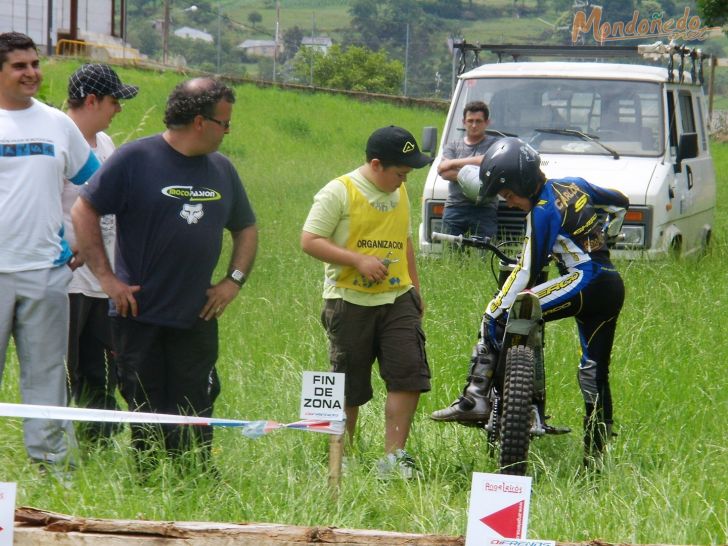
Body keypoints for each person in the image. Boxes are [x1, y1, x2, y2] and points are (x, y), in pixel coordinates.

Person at [72, 77, 258, 464]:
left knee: (197, 404)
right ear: (200, 122)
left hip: (197, 314)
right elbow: (83, 210)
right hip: (138, 313)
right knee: (144, 404)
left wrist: (232, 281)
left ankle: (196, 471)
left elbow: (246, 228)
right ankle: (148, 474)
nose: (227, 131)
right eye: (225, 123)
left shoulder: (222, 169)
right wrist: (107, 280)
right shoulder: (135, 159)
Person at [431, 137, 628, 467]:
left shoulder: (542, 211)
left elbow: (528, 269)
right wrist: (605, 236)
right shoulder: (574, 185)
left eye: (508, 195)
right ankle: (595, 456)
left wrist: (494, 308)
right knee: (593, 373)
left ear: (521, 182)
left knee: (511, 310)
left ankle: (475, 396)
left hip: (585, 280)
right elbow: (619, 203)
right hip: (610, 284)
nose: (508, 203)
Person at [301, 126, 433, 479]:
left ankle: (394, 457)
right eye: (400, 173)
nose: (404, 181)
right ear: (376, 165)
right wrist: (357, 260)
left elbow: (404, 242)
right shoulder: (338, 192)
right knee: (349, 383)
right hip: (349, 302)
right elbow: (310, 240)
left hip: (398, 298)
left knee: (408, 373)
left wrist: (415, 290)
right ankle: (342, 454)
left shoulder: (400, 192)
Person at [0, 32, 100, 469]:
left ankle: (52, 470)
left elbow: (96, 186)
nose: (32, 73)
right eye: (20, 66)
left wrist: (78, 241)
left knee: (46, 380)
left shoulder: (58, 123)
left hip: (45, 272)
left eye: (35, 64)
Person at [61, 63, 139, 441]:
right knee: (62, 368)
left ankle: (99, 443)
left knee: (101, 370)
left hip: (101, 280)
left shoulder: (105, 144)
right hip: (66, 279)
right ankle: (55, 448)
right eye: (114, 101)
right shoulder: (57, 138)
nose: (118, 109)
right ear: (91, 100)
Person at [437, 101, 500, 239]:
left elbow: (490, 162)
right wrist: (480, 172)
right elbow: (443, 171)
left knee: (484, 255)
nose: (474, 125)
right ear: (463, 122)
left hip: (485, 208)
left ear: (487, 122)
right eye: (470, 121)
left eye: (479, 121)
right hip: (455, 207)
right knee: (450, 253)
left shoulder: (495, 144)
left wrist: (454, 163)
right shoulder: (452, 145)